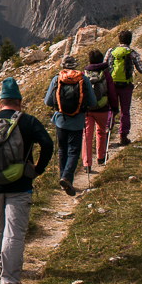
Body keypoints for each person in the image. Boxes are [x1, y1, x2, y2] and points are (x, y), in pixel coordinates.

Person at [0, 77, 53, 284]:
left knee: (0, 223)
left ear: (0, 102)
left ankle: (1, 264)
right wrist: (38, 169)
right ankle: (9, 280)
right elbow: (48, 144)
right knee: (14, 231)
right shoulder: (28, 121)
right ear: (19, 102)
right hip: (21, 183)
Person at [44, 54, 97, 196]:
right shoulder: (83, 79)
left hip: (61, 120)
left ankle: (63, 178)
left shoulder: (57, 79)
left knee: (62, 150)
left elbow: (48, 102)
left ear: (62, 65)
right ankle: (67, 177)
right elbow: (92, 102)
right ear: (75, 66)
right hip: (78, 121)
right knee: (74, 151)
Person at [104, 30, 142, 146]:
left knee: (111, 109)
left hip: (112, 85)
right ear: (130, 40)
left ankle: (106, 133)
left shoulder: (111, 51)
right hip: (126, 85)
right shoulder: (132, 53)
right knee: (125, 111)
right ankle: (123, 136)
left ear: (119, 40)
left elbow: (105, 66)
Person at [83, 48, 119, 173]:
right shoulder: (106, 74)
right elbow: (111, 91)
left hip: (87, 109)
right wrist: (114, 106)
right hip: (103, 107)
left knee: (87, 135)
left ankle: (86, 163)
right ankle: (101, 157)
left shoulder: (85, 74)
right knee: (101, 132)